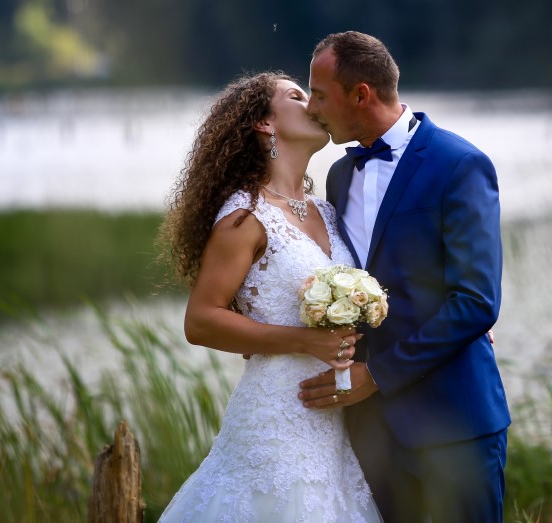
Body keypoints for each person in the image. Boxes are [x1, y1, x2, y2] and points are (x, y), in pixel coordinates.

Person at [300, 31, 511, 523]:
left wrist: (376, 375)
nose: (311, 108)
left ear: (360, 95)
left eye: (320, 95)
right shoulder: (339, 176)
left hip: (454, 422)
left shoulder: (460, 165)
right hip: (371, 432)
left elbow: (477, 301)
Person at [156, 71, 383, 523]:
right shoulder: (245, 216)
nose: (312, 103)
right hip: (276, 422)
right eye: (297, 96)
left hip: (331, 427)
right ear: (264, 123)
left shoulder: (327, 210)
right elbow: (200, 321)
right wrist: (304, 341)